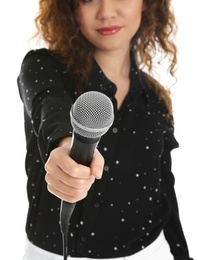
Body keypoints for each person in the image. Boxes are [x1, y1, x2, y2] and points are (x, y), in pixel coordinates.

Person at [17, 0, 193, 259]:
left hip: (152, 251)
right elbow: (49, 107)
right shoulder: (43, 67)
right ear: (69, 7)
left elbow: (165, 192)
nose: (107, 12)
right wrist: (66, 147)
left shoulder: (155, 98)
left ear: (147, 4)